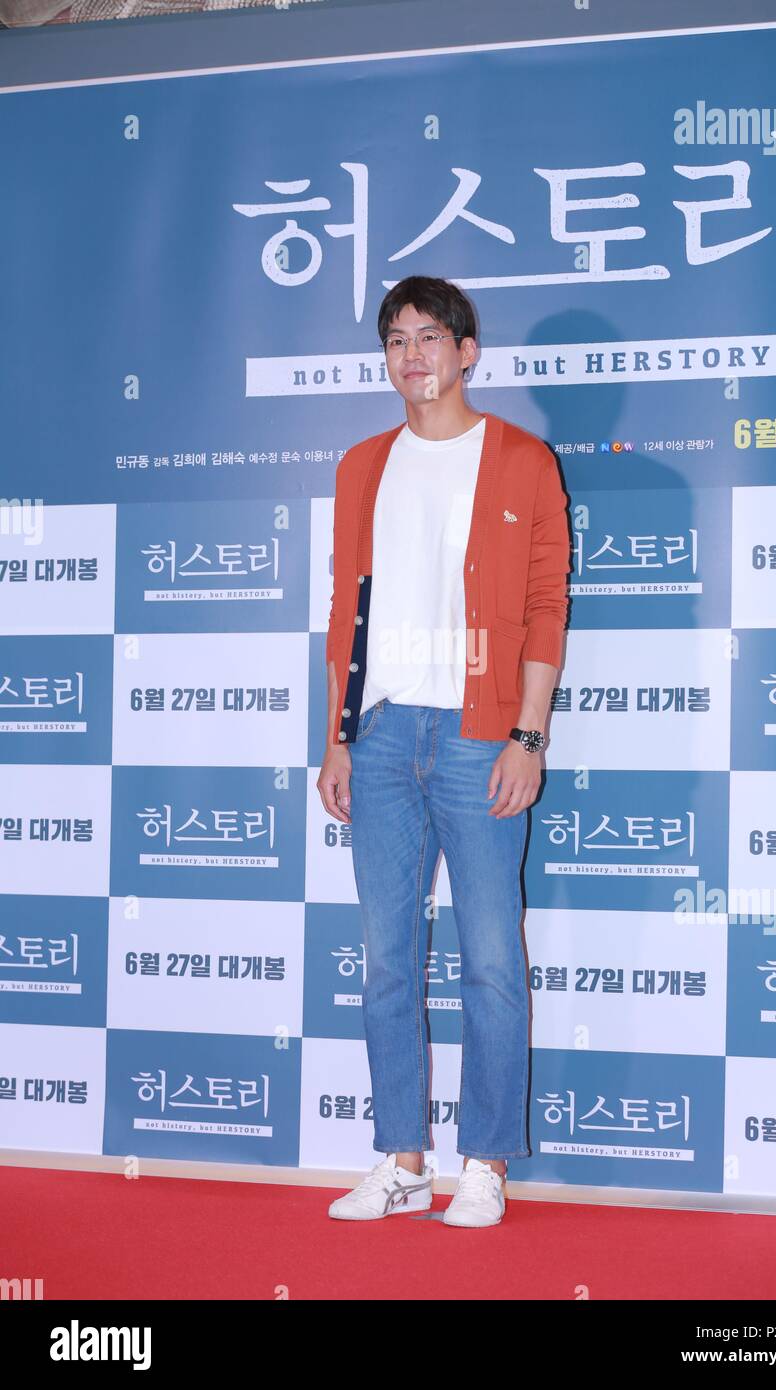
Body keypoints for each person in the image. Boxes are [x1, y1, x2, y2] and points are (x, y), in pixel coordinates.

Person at [317, 275, 570, 1227]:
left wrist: (527, 735)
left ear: (468, 350)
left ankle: (487, 1165)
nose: (412, 354)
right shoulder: (361, 466)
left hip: (478, 738)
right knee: (387, 961)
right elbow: (347, 613)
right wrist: (338, 738)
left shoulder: (520, 459)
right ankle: (402, 1159)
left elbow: (548, 607)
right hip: (381, 737)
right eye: (396, 339)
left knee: (492, 960)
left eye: (430, 336)